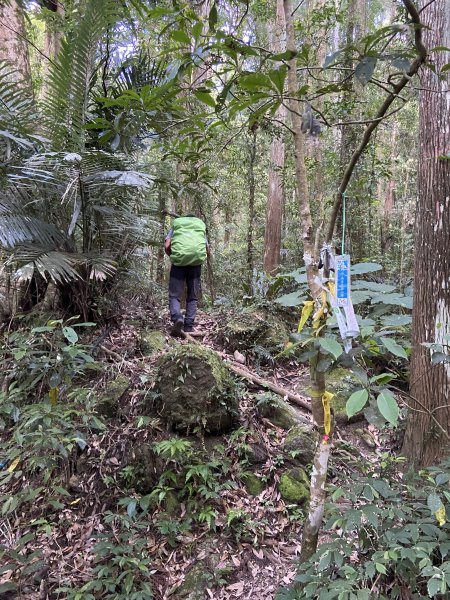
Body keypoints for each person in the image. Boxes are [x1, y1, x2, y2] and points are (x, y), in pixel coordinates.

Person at [164, 214, 209, 335]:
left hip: (178, 264)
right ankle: (188, 325)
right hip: (195, 265)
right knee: (192, 296)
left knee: (174, 295)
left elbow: (167, 245)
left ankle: (177, 318)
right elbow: (206, 249)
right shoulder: (199, 228)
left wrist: (174, 257)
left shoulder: (177, 226)